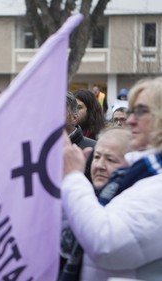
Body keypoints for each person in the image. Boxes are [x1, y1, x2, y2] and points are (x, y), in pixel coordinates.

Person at [62, 76, 162, 281]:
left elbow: (106, 244)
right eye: (132, 111)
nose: (131, 120)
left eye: (141, 111)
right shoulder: (134, 173)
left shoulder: (155, 181)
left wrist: (73, 178)